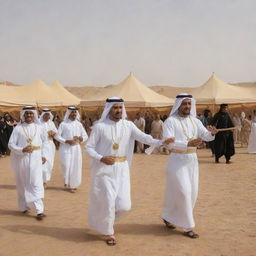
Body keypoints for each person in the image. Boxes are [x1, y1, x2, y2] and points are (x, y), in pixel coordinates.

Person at [85, 97, 173, 246]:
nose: (118, 110)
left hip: (122, 169)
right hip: (104, 169)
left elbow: (144, 137)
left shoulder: (128, 125)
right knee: (107, 202)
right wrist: (101, 158)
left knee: (125, 205)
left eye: (120, 108)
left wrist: (161, 142)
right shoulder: (100, 127)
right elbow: (88, 148)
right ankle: (108, 232)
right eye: (115, 108)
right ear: (109, 109)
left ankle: (104, 221)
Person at [161, 94, 217, 239]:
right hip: (177, 161)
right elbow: (168, 143)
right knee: (184, 192)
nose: (187, 106)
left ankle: (168, 216)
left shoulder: (195, 121)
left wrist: (211, 133)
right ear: (178, 105)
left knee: (191, 193)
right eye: (184, 104)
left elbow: (205, 135)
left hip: (192, 161)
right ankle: (188, 227)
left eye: (189, 104)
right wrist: (186, 144)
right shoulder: (170, 122)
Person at [8, 106, 48, 220]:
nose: (29, 115)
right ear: (23, 115)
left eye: (31, 113)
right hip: (22, 159)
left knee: (36, 183)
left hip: (36, 158)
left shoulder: (39, 127)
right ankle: (23, 206)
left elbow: (45, 142)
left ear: (34, 115)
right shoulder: (18, 128)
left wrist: (43, 155)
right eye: (27, 114)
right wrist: (22, 150)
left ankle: (40, 210)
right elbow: (11, 144)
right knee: (22, 182)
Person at [56, 107, 88, 193]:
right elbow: (57, 136)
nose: (74, 114)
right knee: (66, 165)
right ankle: (67, 181)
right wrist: (66, 141)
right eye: (72, 112)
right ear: (69, 113)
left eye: (75, 112)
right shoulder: (63, 124)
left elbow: (85, 136)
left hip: (76, 148)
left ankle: (73, 185)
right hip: (66, 148)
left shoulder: (79, 124)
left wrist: (81, 138)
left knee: (75, 166)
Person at [40, 109, 58, 187]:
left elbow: (56, 133)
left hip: (51, 146)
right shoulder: (39, 124)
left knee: (49, 164)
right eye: (45, 114)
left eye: (48, 114)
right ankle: (43, 181)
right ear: (43, 115)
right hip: (42, 146)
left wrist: (53, 134)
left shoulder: (52, 123)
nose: (47, 116)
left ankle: (45, 179)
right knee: (43, 163)